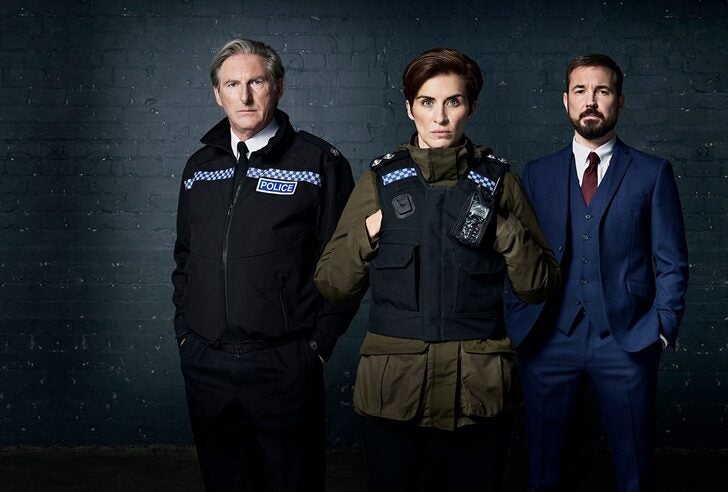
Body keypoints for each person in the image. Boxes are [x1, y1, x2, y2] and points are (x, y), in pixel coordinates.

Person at [314, 48, 560, 492]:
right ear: (410, 107)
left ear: (471, 107)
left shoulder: (500, 183)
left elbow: (539, 286)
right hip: (395, 391)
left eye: (454, 101)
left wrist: (502, 228)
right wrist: (370, 230)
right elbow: (332, 284)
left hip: (478, 390)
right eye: (427, 102)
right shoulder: (379, 182)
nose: (440, 117)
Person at [171, 38, 357, 492]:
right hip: (207, 362)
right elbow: (184, 257)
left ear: (278, 86)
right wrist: (185, 334)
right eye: (232, 84)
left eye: (256, 81)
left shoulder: (319, 162)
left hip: (284, 364)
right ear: (218, 94)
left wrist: (316, 346)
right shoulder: (200, 165)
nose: (245, 95)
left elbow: (348, 263)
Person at [505, 53, 689, 492]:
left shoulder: (652, 172)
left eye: (602, 91)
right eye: (582, 91)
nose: (592, 100)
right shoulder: (537, 173)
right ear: (565, 101)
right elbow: (517, 254)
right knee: (543, 473)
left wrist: (662, 326)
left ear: (619, 102)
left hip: (627, 339)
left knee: (635, 474)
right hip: (548, 338)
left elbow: (672, 259)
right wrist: (517, 317)